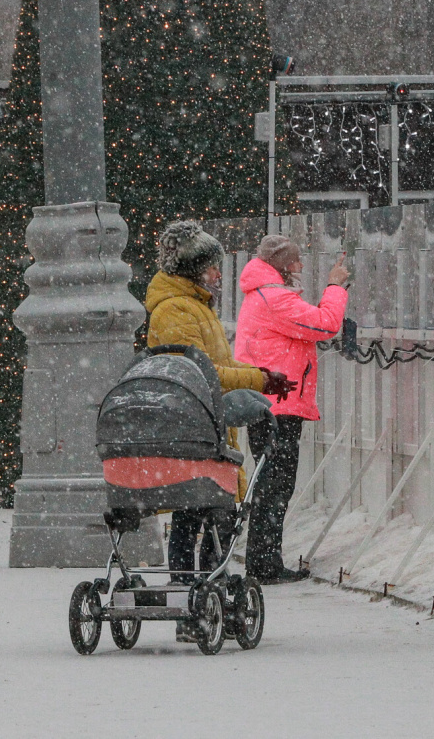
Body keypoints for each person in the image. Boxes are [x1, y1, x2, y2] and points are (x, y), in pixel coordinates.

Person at [144, 221, 296, 639]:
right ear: (192, 268)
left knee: (205, 514)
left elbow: (214, 367)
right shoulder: (176, 309)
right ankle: (193, 600)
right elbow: (200, 371)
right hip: (193, 428)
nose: (217, 274)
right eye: (211, 266)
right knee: (201, 515)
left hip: (203, 425)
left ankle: (201, 598)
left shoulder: (194, 305)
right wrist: (259, 378)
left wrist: (258, 376)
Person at [235, 235, 349, 583]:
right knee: (275, 486)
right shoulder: (275, 299)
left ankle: (263, 561)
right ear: (283, 264)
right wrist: (335, 286)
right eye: (296, 260)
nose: (300, 267)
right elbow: (324, 324)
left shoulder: (261, 295)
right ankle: (265, 565)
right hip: (278, 406)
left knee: (271, 483)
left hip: (268, 403)